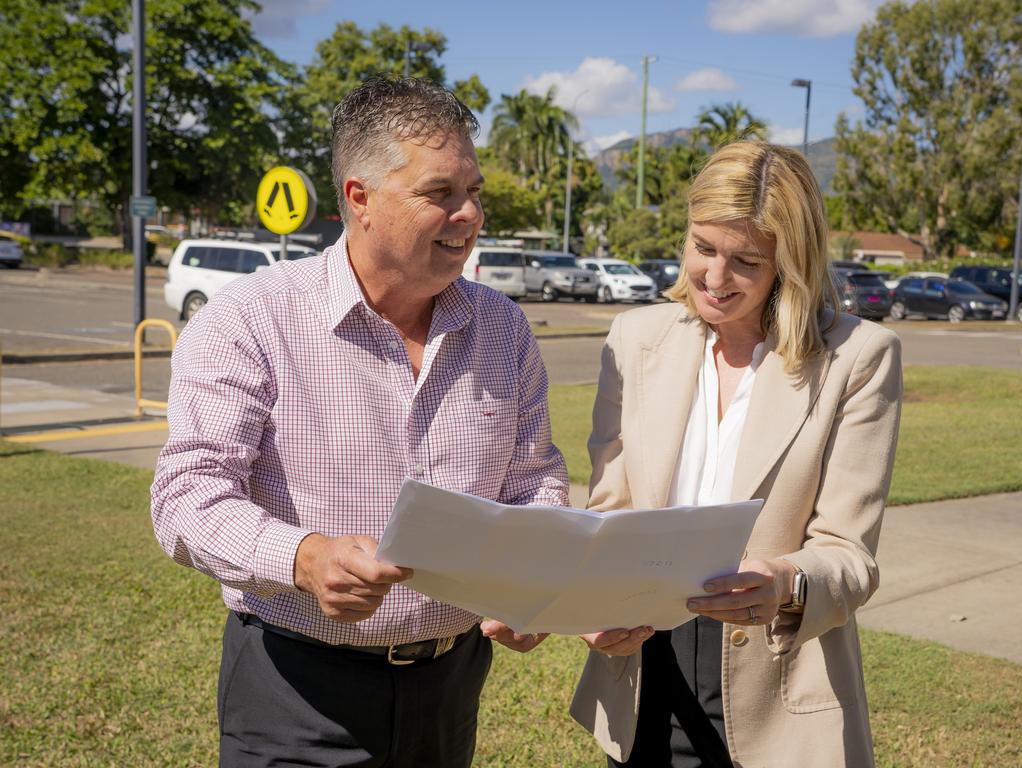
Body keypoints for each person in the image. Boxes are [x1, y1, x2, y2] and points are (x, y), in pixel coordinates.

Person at [150, 77, 568, 768]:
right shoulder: (249, 319)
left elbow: (533, 483)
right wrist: (304, 558)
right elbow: (187, 498)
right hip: (296, 691)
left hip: (451, 684)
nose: (471, 215)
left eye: (475, 191)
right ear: (359, 199)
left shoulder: (504, 328)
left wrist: (529, 583)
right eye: (441, 194)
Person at [570, 141, 902, 767]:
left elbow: (850, 558)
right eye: (704, 249)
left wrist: (784, 586)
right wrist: (595, 607)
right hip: (644, 682)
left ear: (790, 263)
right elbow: (608, 516)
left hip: (779, 692)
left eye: (747, 260)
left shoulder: (857, 358)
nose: (716, 280)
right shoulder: (634, 340)